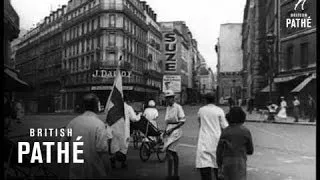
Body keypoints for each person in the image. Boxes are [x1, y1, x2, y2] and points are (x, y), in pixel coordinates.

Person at [61, 93, 112, 179]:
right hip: (95, 172)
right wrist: (107, 171)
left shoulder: (73, 122)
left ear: (83, 107)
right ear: (96, 107)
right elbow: (103, 153)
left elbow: (63, 145)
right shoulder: (99, 125)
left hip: (75, 171)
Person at [196, 95, 229, 180]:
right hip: (216, 140)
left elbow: (200, 124)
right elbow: (225, 126)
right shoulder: (219, 110)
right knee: (217, 165)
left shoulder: (201, 110)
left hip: (204, 140)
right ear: (214, 100)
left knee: (204, 166)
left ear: (205, 100)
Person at [217, 107, 254, 180]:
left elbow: (219, 151)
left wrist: (219, 166)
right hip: (240, 163)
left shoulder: (225, 131)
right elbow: (250, 150)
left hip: (227, 162)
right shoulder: (245, 131)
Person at [109, 96, 142, 169]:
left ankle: (113, 161)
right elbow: (134, 119)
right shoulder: (128, 107)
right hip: (124, 131)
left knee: (115, 146)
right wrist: (139, 114)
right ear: (127, 100)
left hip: (115, 130)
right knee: (123, 147)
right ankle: (123, 163)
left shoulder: (114, 107)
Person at [162, 90, 186, 180]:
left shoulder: (178, 107)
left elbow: (182, 121)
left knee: (169, 152)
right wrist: (166, 130)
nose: (168, 100)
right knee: (173, 152)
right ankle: (175, 175)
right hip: (169, 129)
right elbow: (167, 121)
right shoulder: (168, 107)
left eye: (170, 98)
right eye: (167, 98)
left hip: (175, 130)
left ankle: (171, 175)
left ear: (173, 98)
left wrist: (172, 129)